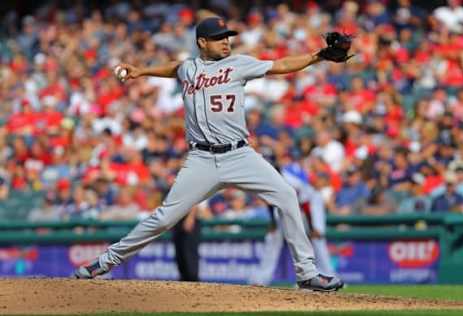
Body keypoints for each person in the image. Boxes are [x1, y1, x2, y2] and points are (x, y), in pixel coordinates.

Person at [74, 16, 344, 291]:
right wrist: (142, 71)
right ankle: (105, 262)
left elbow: (282, 65)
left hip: (240, 155)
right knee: (165, 217)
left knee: (286, 196)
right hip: (201, 160)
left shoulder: (238, 64)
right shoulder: (189, 68)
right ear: (202, 42)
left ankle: (307, 273)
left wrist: (318, 56)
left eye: (227, 36)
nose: (226, 41)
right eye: (218, 37)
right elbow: (176, 68)